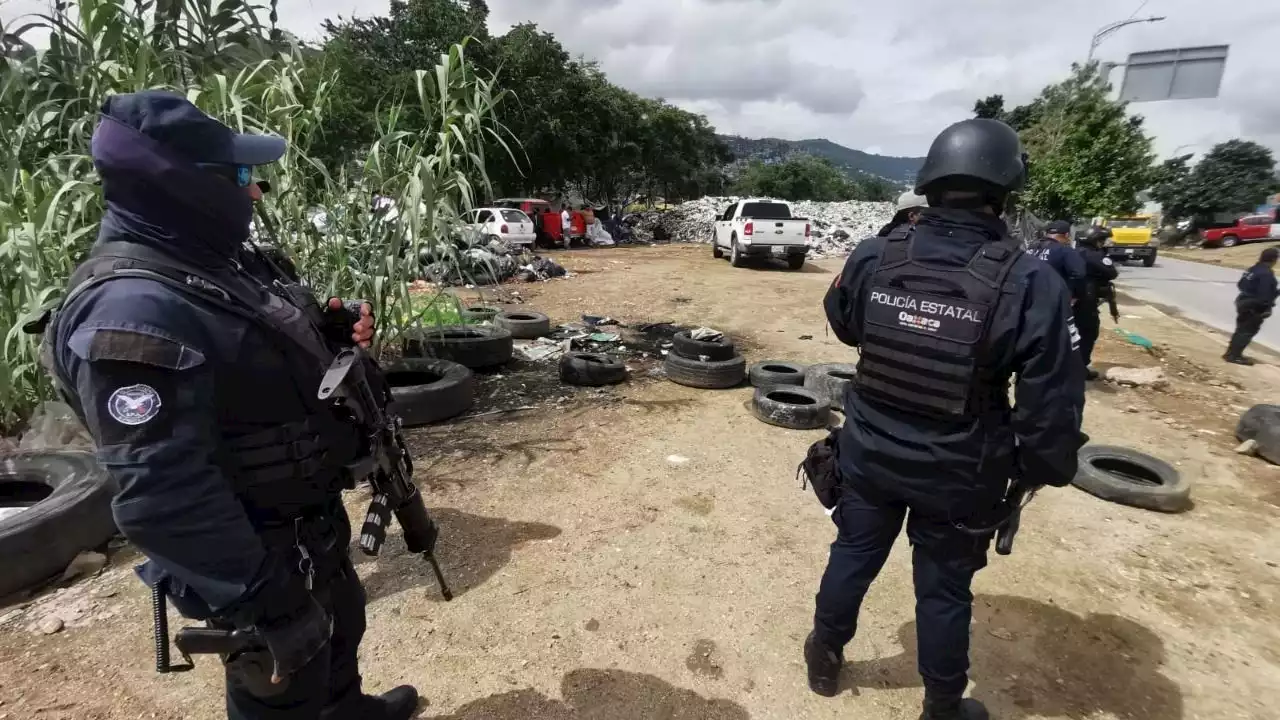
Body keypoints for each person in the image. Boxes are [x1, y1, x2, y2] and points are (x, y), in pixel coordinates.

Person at [38, 91, 419, 720]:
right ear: (186, 186)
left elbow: (252, 353)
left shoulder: (215, 265)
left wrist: (328, 329)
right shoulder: (133, 309)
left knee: (340, 640)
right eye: (241, 176)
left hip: (309, 526)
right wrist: (264, 601)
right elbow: (163, 490)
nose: (255, 193)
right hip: (254, 554)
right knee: (282, 692)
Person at [808, 118, 1085, 720]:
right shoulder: (1032, 278)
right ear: (1005, 189)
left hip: (869, 452)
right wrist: (1039, 470)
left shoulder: (875, 253)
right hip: (961, 471)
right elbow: (1051, 402)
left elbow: (846, 323)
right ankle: (941, 707)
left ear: (930, 181)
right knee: (942, 589)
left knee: (853, 552)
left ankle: (823, 657)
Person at [1074, 227, 1120, 379]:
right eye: (1102, 240)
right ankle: (1079, 368)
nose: (1103, 243)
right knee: (1088, 332)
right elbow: (1112, 272)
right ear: (1094, 240)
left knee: (1073, 332)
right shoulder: (1092, 255)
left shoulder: (1075, 251)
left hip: (1074, 298)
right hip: (1086, 299)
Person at [1225, 247, 1280, 365]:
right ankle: (1234, 356)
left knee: (1241, 329)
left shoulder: (1253, 269)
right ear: (1273, 259)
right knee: (1247, 331)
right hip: (1253, 306)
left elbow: (1240, 284)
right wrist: (1266, 307)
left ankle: (1231, 353)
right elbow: (1264, 295)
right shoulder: (1266, 274)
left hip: (1243, 301)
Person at [1028, 220, 1086, 301]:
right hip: (1052, 298)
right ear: (1067, 235)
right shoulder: (1065, 250)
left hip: (1027, 295)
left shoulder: (1031, 247)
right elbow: (1080, 273)